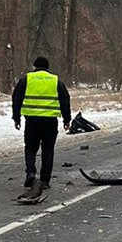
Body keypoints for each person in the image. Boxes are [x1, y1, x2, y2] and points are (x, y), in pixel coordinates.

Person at [12, 56, 71, 190]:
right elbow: (65, 100)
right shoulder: (55, 80)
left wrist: (16, 118)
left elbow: (16, 98)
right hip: (50, 121)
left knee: (30, 148)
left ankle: (31, 173)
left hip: (31, 121)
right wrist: (66, 120)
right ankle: (44, 180)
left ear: (34, 67)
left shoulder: (26, 79)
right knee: (48, 150)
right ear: (47, 67)